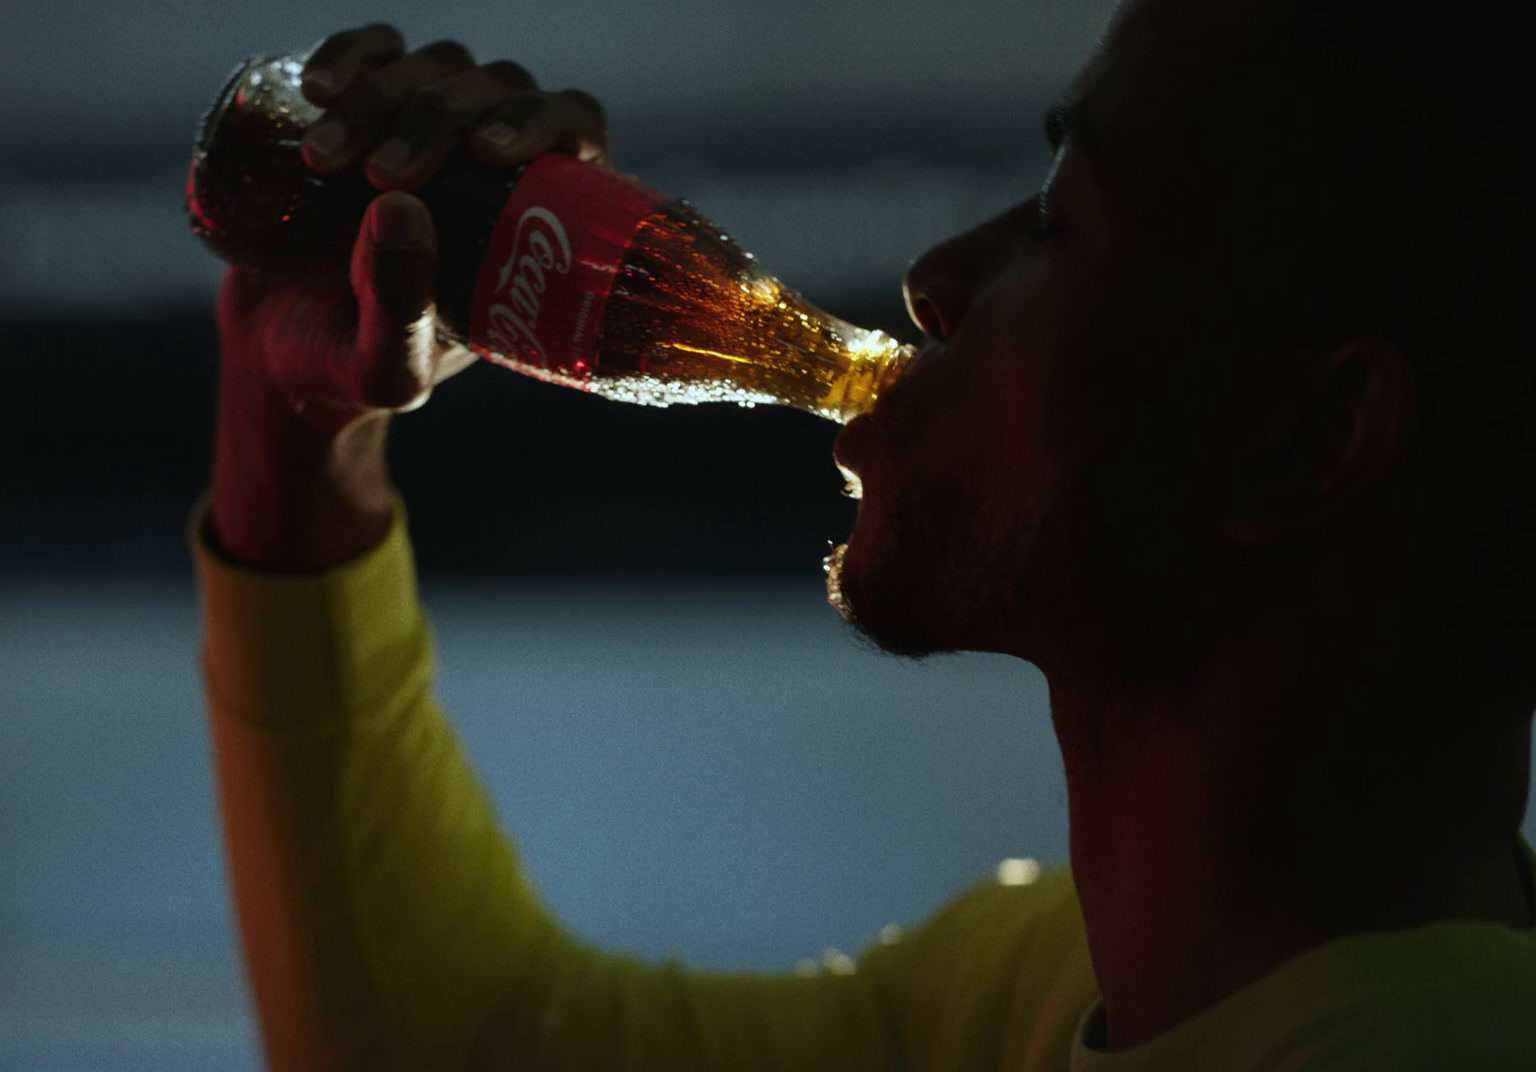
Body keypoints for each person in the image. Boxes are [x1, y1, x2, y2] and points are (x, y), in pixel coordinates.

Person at [193, 0, 1536, 1067]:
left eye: (1062, 226)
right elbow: (470, 1047)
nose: (935, 278)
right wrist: (293, 429)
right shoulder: (1056, 986)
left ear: (1306, 439)